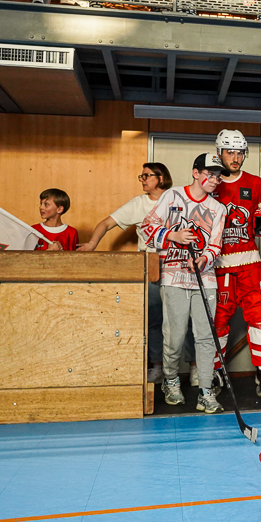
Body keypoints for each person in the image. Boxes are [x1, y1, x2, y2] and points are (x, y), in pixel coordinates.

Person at [141, 154, 228, 412]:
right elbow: (146, 228)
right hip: (173, 277)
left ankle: (205, 390)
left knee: (205, 337)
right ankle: (170, 380)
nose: (214, 180)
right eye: (209, 174)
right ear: (195, 172)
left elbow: (215, 246)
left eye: (218, 176)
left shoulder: (218, 209)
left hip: (205, 279)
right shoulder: (172, 196)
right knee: (175, 336)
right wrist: (173, 235)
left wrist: (203, 259)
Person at [211, 129, 261, 400]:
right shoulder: (210, 181)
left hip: (249, 262)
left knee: (259, 316)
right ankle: (215, 370)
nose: (235, 158)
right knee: (216, 318)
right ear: (219, 152)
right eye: (230, 152)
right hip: (217, 264)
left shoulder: (254, 182)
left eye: (240, 152)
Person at [78, 162, 173, 384]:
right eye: (140, 176)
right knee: (155, 319)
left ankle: (194, 369)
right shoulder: (138, 204)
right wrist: (92, 244)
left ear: (160, 178)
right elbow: (105, 223)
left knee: (182, 319)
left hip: (178, 266)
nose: (142, 180)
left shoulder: (177, 198)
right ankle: (157, 366)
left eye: (146, 176)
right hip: (151, 266)